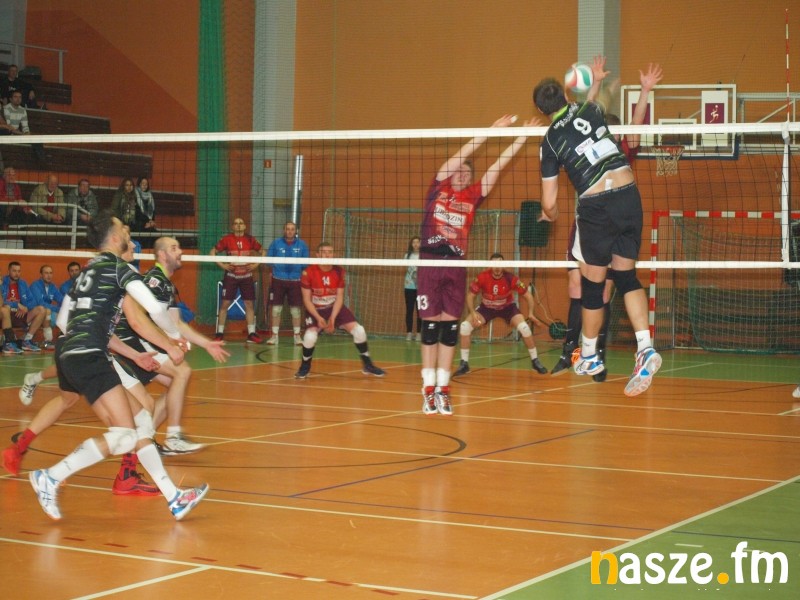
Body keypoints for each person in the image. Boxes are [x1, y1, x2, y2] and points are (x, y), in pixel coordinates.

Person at [26, 211, 209, 521]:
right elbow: (152, 310)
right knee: (124, 435)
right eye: (123, 229)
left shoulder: (87, 271)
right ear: (113, 238)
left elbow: (64, 321)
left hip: (70, 354)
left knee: (140, 423)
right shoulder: (118, 268)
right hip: (89, 356)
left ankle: (174, 498)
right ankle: (51, 476)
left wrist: (133, 355)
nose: (128, 232)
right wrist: (172, 343)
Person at [534, 74, 662, 398]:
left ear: (541, 110)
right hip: (629, 195)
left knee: (592, 285)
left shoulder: (550, 140)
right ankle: (645, 346)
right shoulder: (590, 110)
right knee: (626, 277)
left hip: (597, 205)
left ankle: (589, 354)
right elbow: (600, 101)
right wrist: (604, 86)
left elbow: (549, 202)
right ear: (566, 95)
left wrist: (551, 215)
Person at [417, 114, 535, 416]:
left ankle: (443, 390)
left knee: (449, 330)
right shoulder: (438, 187)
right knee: (430, 328)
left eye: (467, 173)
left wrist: (521, 138)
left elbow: (498, 166)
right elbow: (462, 154)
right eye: (459, 171)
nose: (462, 174)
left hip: (456, 265)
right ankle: (427, 389)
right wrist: (489, 131)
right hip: (430, 262)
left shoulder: (473, 196)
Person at [295, 241, 385, 379]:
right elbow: (306, 300)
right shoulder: (308, 272)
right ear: (318, 255)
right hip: (315, 309)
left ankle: (367, 365)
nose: (327, 255)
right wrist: (318, 318)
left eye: (330, 252)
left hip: (334, 307)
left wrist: (332, 318)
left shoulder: (339, 271)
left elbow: (340, 297)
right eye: (324, 252)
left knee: (359, 331)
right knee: (310, 337)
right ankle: (305, 367)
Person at [453, 253, 548, 376]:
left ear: (504, 265)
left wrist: (530, 313)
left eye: (500, 263)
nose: (497, 267)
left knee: (524, 328)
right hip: (487, 308)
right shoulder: (482, 277)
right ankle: (464, 364)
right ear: (490, 265)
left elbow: (528, 296)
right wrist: (472, 312)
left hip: (507, 308)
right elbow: (470, 296)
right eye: (494, 264)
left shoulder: (511, 278)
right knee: (465, 326)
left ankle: (535, 361)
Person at [210, 217, 265, 343]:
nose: (239, 225)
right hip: (231, 276)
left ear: (245, 226)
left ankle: (251, 333)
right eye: (236, 223)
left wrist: (256, 265)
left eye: (241, 223)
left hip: (246, 276)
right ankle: (219, 333)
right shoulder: (227, 239)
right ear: (233, 227)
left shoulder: (250, 239)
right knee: (225, 304)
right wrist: (223, 265)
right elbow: (212, 252)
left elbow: (263, 252)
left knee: (249, 304)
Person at [266, 221, 309, 345]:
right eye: (287, 229)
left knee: (295, 310)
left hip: (295, 281)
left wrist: (297, 267)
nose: (290, 231)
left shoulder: (302, 245)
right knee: (276, 309)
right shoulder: (276, 243)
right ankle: (274, 336)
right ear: (284, 230)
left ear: (296, 231)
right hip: (278, 280)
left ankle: (297, 336)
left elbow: (306, 263)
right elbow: (268, 260)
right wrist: (277, 266)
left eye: (292, 229)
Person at [1, 261, 46, 352]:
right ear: (8, 271)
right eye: (14, 271)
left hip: (19, 315)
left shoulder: (23, 284)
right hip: (5, 315)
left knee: (41, 310)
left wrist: (26, 308)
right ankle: (8, 343)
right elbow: (1, 302)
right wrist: (16, 304)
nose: (17, 273)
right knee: (5, 308)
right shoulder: (2, 283)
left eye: (19, 271)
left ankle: (27, 340)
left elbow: (32, 301)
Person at [29, 264, 63, 349]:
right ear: (41, 274)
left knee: (65, 315)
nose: (49, 275)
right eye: (46, 273)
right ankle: (48, 340)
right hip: (34, 315)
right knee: (47, 310)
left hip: (48, 314)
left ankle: (66, 340)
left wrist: (65, 308)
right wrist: (58, 309)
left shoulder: (53, 286)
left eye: (51, 273)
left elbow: (61, 300)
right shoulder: (35, 285)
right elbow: (41, 303)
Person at [403, 236, 422, 341]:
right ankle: (409, 333)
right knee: (409, 310)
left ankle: (419, 333)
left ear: (420, 244)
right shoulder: (407, 255)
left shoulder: (424, 256)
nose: (415, 244)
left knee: (420, 311)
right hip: (409, 286)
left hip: (421, 287)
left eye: (417, 242)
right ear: (411, 244)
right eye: (413, 242)